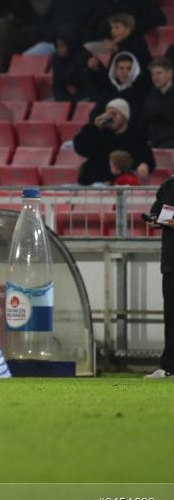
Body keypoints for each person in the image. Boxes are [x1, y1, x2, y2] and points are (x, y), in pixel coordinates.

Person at [74, 98, 155, 186]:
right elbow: (81, 149)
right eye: (107, 113)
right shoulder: (99, 132)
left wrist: (143, 164)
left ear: (124, 116)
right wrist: (93, 127)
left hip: (119, 184)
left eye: (114, 114)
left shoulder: (135, 135)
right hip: (92, 182)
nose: (110, 118)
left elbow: (147, 157)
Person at [146, 175, 174, 378]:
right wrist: (154, 217)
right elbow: (156, 209)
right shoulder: (167, 186)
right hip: (171, 262)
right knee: (171, 316)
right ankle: (169, 367)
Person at [143, 57, 174, 148]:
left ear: (170, 73)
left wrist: (155, 141)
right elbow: (144, 121)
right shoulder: (150, 96)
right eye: (153, 74)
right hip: (153, 140)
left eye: (159, 73)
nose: (155, 77)